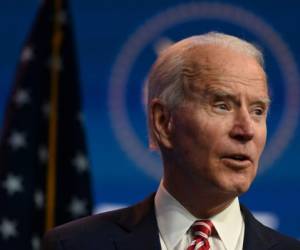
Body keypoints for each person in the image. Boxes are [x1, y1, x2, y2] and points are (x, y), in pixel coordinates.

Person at [43, 32, 300, 250]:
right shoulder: (75, 245)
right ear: (163, 121)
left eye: (258, 111)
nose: (246, 130)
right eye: (222, 106)